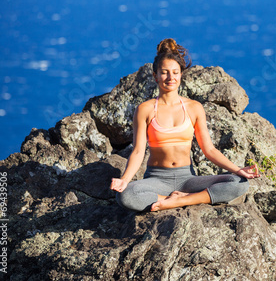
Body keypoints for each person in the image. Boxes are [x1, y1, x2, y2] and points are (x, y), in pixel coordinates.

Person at [110, 38, 259, 212]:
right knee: (126, 195)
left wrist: (238, 170)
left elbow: (209, 150)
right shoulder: (145, 109)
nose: (170, 77)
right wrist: (125, 180)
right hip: (157, 179)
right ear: (155, 75)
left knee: (239, 183)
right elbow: (137, 151)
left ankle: (180, 201)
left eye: (175, 72)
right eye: (164, 72)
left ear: (181, 74)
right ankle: (173, 199)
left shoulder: (194, 108)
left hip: (187, 180)